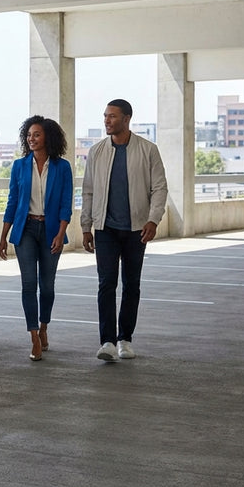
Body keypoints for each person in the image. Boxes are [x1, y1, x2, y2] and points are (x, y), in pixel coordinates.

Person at [81, 99, 168, 362]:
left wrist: (153, 220)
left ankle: (125, 340)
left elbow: (159, 188)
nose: (107, 120)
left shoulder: (148, 150)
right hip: (105, 229)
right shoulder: (96, 152)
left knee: (131, 285)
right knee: (106, 284)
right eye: (105, 116)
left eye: (112, 116)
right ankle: (106, 341)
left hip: (135, 229)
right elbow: (88, 191)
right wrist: (86, 226)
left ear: (127, 119)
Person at [0, 115, 73, 361]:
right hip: (26, 230)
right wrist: (3, 235)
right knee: (28, 284)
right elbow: (12, 202)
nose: (32, 138)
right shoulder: (19, 166)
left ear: (47, 137)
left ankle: (44, 327)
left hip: (52, 231)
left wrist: (61, 233)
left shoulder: (62, 167)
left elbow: (65, 203)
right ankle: (33, 337)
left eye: (37, 134)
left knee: (47, 286)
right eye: (29, 135)